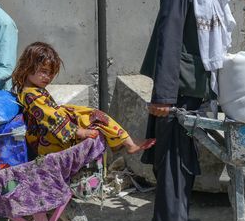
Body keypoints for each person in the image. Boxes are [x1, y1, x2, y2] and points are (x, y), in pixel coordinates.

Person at [140, 0, 239, 221]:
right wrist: (164, 97)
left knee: (184, 161)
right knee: (172, 163)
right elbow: (169, 36)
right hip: (177, 90)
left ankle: (174, 220)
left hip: (194, 88)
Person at [12, 41, 154, 156]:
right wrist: (78, 131)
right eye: (43, 72)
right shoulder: (30, 95)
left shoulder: (33, 90)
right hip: (47, 143)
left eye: (51, 74)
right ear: (28, 67)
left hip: (55, 134)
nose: (48, 77)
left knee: (94, 116)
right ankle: (127, 144)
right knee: (94, 118)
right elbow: (50, 117)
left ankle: (128, 143)